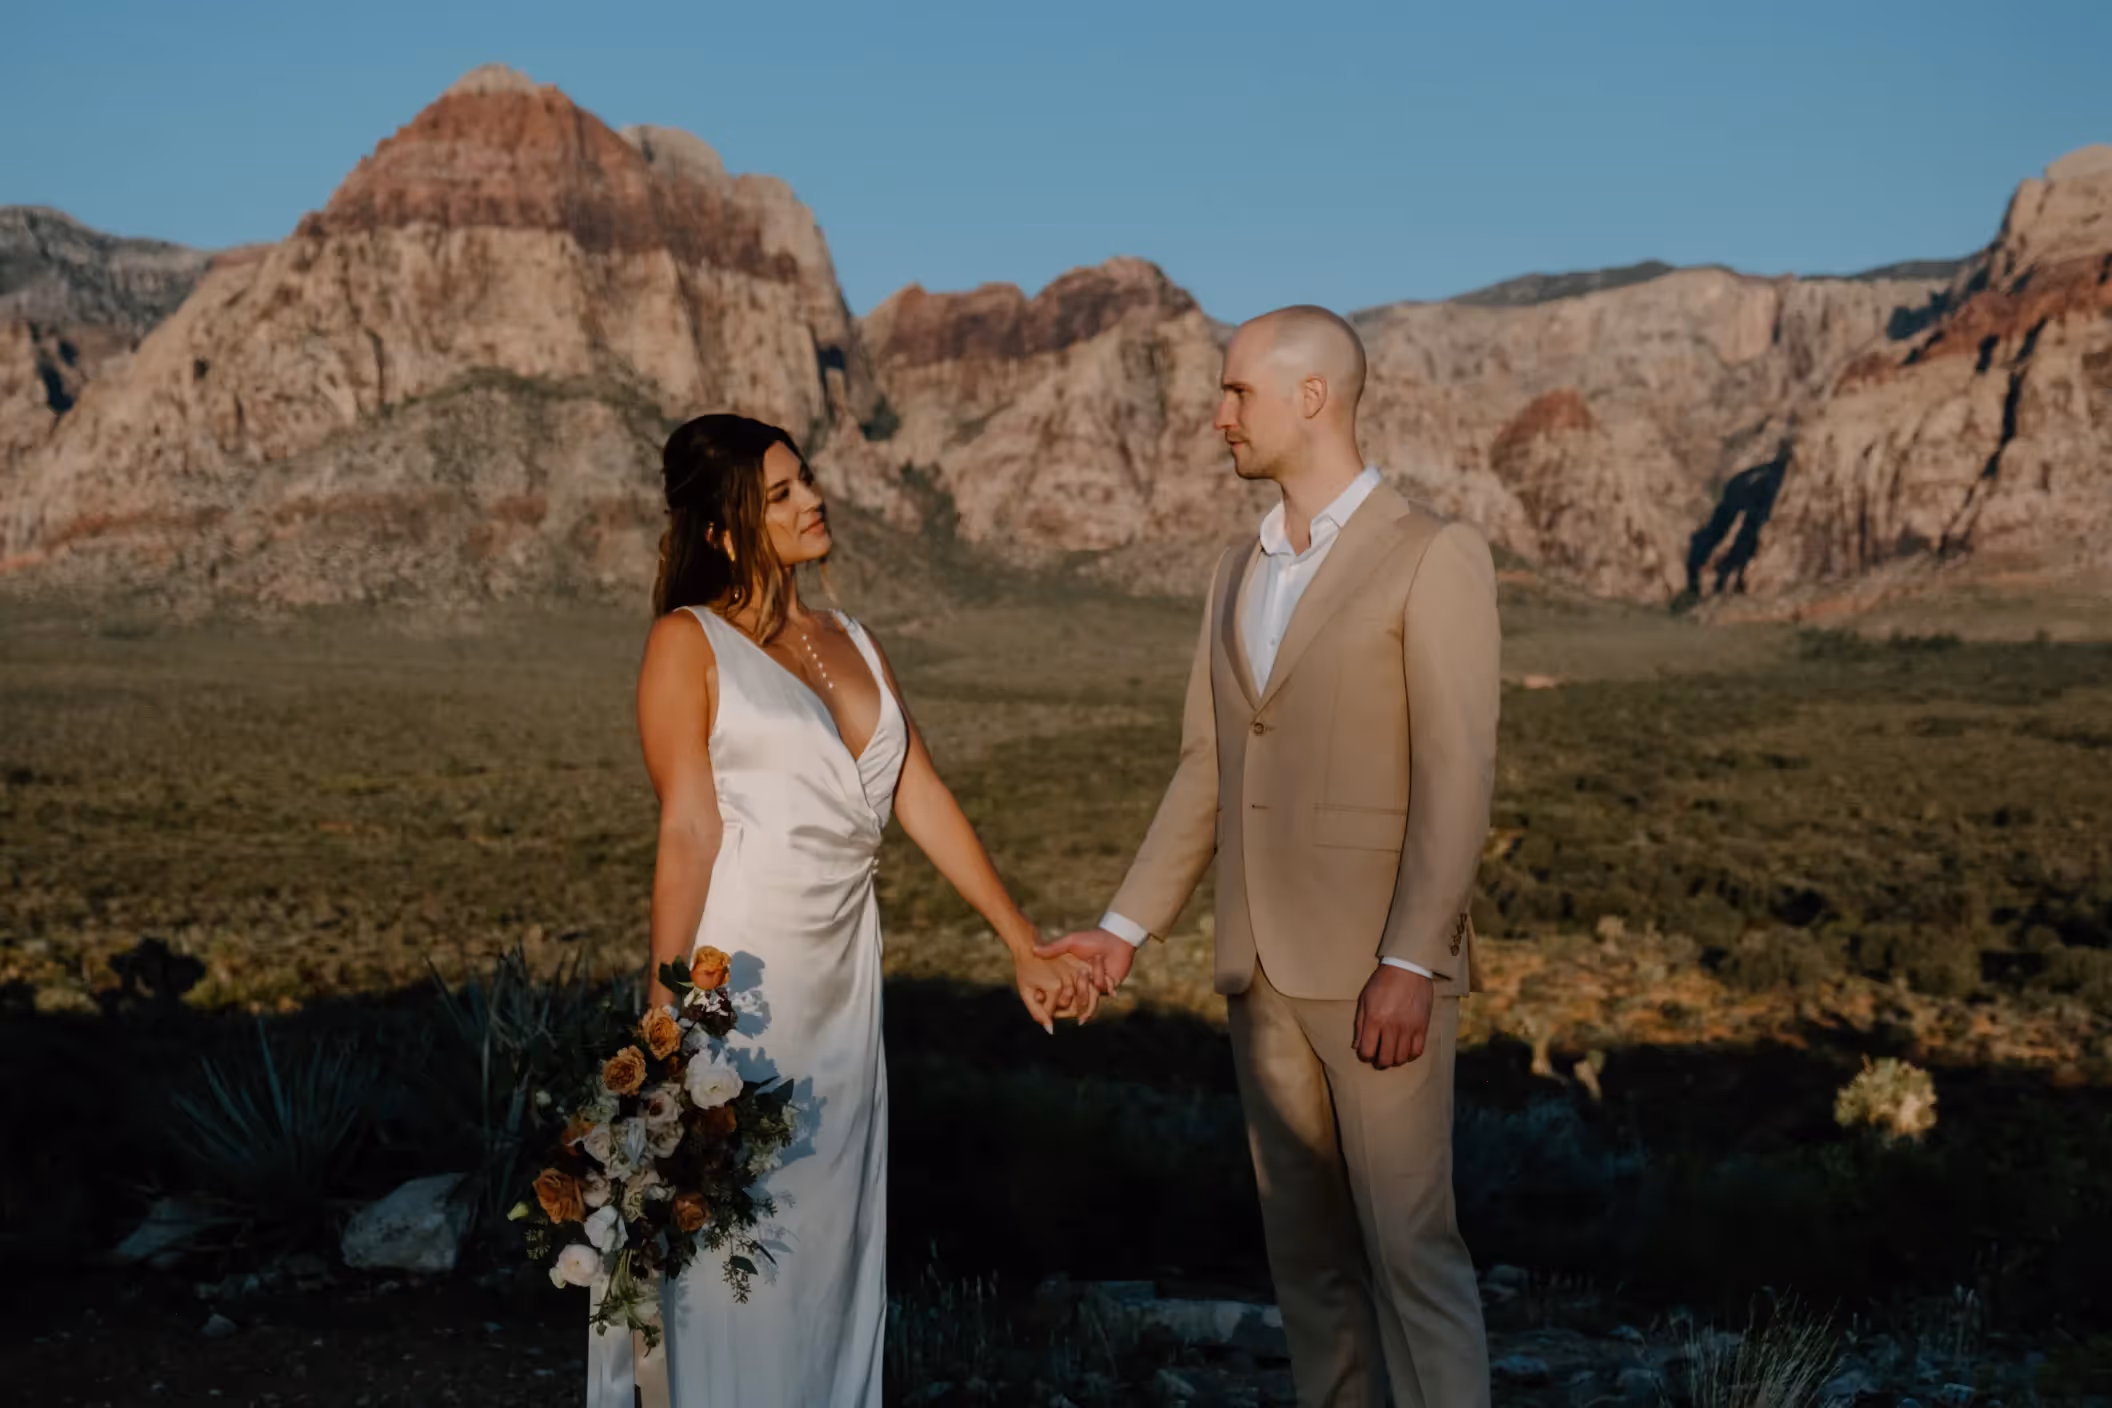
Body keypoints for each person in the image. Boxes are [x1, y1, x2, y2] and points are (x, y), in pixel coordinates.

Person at [1038, 307, 1501, 1407]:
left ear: (1312, 398)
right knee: (1309, 1272)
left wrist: (1413, 960)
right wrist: (1119, 930)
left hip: (1375, 976)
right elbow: (1208, 767)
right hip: (1258, 972)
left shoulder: (1435, 554)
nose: (1218, 417)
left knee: (1412, 1257)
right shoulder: (1232, 572)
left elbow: (1456, 774)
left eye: (1237, 392)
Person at [623, 413, 1094, 1406]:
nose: (811, 500)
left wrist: (1021, 942)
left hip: (841, 984)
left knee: (828, 1240)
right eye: (782, 493)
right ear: (724, 528)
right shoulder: (687, 642)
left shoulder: (856, 641)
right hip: (730, 985)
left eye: (807, 481)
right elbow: (688, 833)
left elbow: (919, 792)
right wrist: (666, 1016)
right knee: (733, 1235)